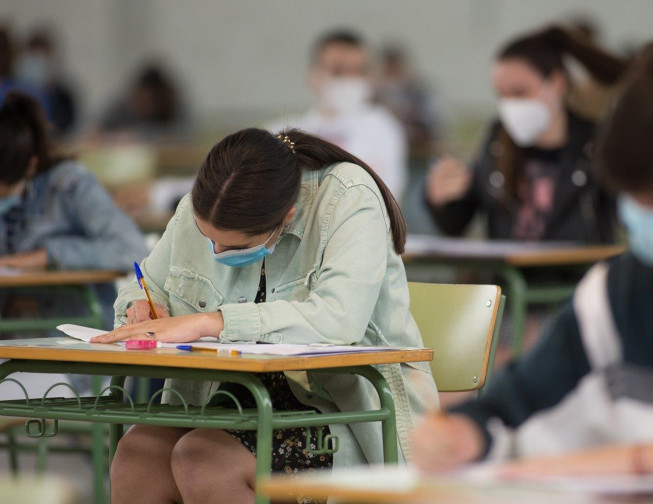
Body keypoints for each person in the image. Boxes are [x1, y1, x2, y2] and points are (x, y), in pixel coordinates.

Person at [411, 39, 653, 478]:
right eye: (635, 200)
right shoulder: (614, 293)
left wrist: (635, 462)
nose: (649, 216)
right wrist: (463, 434)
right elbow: (514, 402)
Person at [91, 128, 439, 503]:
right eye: (209, 239)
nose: (217, 250)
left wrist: (214, 321)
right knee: (135, 456)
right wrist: (137, 308)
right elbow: (149, 283)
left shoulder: (346, 197)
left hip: (343, 414)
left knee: (203, 461)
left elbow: (341, 320)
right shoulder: (211, 200)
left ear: (287, 215)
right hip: (229, 404)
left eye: (237, 246)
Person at [426, 26, 625, 243]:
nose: (510, 105)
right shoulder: (497, 141)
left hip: (578, 275)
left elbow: (627, 213)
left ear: (556, 83)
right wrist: (441, 200)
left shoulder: (596, 145)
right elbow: (456, 223)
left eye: (519, 92)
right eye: (501, 95)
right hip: (507, 276)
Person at [0, 91, 148, 330]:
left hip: (69, 323)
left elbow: (132, 250)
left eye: (5, 191)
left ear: (31, 166)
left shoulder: (70, 185)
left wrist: (49, 256)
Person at [268, 29, 408, 202]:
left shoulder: (383, 127)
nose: (350, 79)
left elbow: (382, 195)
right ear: (313, 75)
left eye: (359, 71)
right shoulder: (280, 132)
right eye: (338, 71)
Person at [16, 27, 78, 135]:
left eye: (42, 58)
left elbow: (66, 130)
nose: (37, 65)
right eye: (34, 58)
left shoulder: (64, 97)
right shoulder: (13, 95)